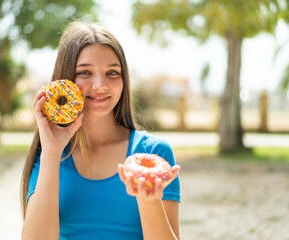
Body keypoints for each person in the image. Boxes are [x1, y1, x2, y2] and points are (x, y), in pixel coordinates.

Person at [20, 21, 181, 240]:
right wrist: (51, 150)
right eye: (85, 72)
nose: (100, 85)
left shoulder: (153, 154)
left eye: (112, 73)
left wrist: (148, 200)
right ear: (65, 79)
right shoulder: (49, 157)